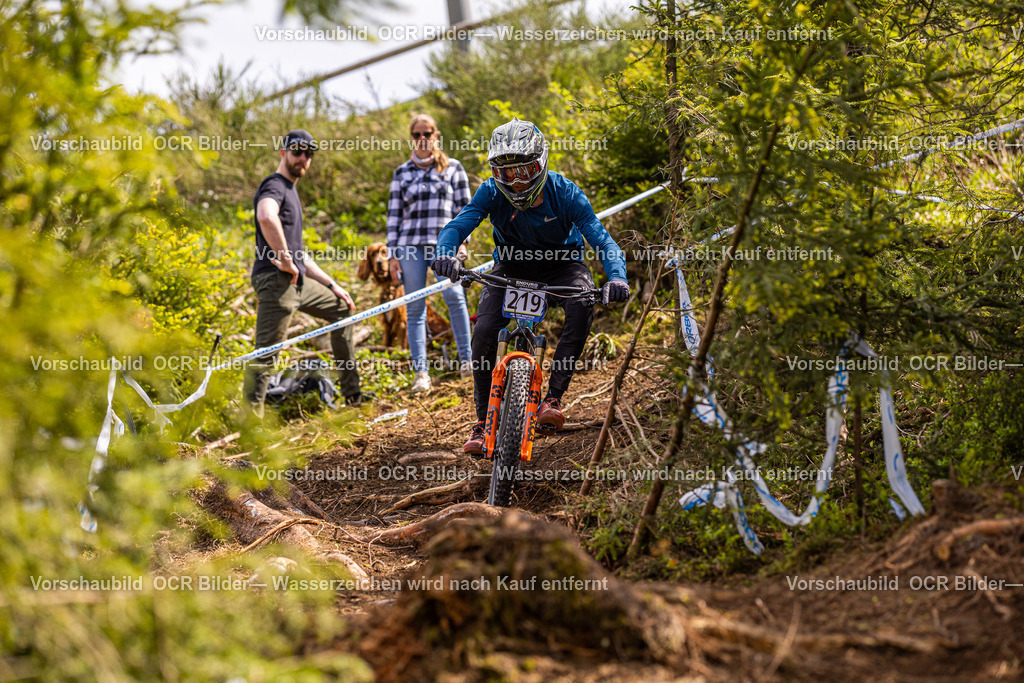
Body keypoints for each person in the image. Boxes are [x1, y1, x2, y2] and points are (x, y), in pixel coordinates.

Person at [431, 118, 630, 455]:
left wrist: (617, 277)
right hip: (510, 267)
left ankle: (552, 398)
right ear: (497, 173)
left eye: (526, 170)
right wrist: (445, 254)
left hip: (562, 266)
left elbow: (603, 240)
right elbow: (456, 226)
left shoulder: (565, 192)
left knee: (582, 307)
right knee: (484, 333)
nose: (518, 181)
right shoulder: (491, 192)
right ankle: (481, 423)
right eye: (509, 173)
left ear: (542, 164)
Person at [244, 129, 363, 415]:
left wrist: (332, 284)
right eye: (297, 151)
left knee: (342, 309)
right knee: (266, 354)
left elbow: (300, 254)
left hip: (296, 282)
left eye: (309, 154)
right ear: (283, 152)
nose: (304, 158)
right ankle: (250, 425)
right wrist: (284, 260)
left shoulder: (291, 190)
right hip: (275, 281)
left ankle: (353, 397)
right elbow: (265, 215)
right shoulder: (274, 184)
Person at [385, 113, 474, 393]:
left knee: (454, 296)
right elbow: (393, 216)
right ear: (411, 138)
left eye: (428, 133)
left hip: (444, 244)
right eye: (417, 135)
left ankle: (468, 362)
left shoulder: (453, 168)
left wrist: (463, 241)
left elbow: (467, 210)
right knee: (414, 308)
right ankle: (421, 374)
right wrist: (391, 255)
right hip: (409, 246)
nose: (423, 139)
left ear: (436, 135)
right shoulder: (402, 173)